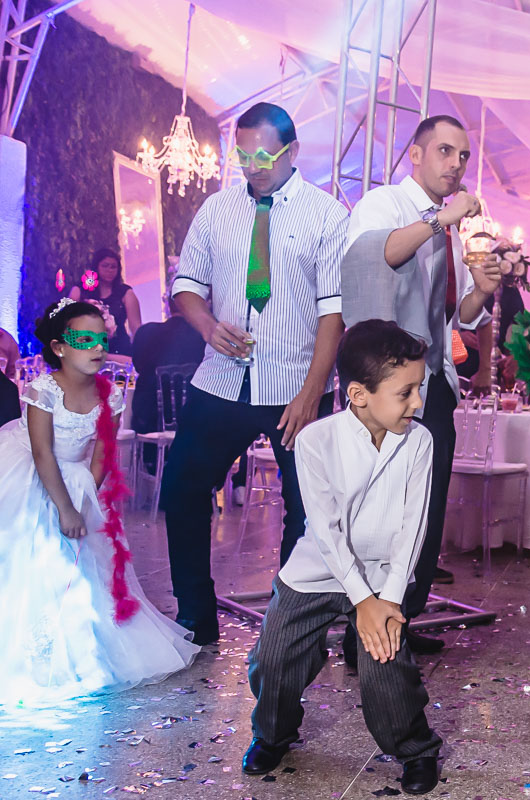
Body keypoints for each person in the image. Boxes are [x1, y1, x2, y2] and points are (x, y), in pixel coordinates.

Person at [161, 102, 347, 646]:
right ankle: (195, 614)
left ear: (292, 151)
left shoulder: (327, 216)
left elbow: (333, 312)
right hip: (220, 379)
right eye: (242, 154)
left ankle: (288, 625)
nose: (252, 164)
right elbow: (185, 285)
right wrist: (205, 323)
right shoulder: (215, 210)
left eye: (263, 154)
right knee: (183, 487)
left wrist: (314, 392)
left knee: (307, 509)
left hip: (295, 384)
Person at [243, 321, 442, 792]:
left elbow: (413, 527)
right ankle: (272, 734)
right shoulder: (316, 441)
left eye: (419, 389)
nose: (417, 403)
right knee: (273, 661)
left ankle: (416, 749)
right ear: (358, 394)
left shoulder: (419, 441)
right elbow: (326, 533)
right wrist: (361, 600)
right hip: (317, 572)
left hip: (382, 581)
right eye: (406, 392)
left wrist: (387, 601)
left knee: (385, 663)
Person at [341, 114, 502, 655]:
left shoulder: (452, 228)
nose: (456, 165)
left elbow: (458, 317)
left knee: (425, 507)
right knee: (376, 505)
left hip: (434, 383)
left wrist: (480, 290)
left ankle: (402, 623)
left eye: (463, 157)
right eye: (445, 152)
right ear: (415, 154)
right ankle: (360, 628)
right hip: (384, 386)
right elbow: (374, 258)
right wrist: (441, 219)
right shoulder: (384, 204)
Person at [0, 299, 199, 706]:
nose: (97, 348)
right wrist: (65, 507)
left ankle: (78, 640)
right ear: (60, 347)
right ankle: (31, 649)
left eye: (101, 340)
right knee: (33, 557)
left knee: (85, 560)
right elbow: (41, 454)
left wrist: (85, 498)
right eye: (84, 339)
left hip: (76, 478)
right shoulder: (44, 390)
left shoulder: (110, 395)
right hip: (36, 473)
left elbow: (102, 454)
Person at [130, 288, 206, 474]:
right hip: (196, 422)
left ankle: (149, 480)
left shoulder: (145, 333)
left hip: (150, 421)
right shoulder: (204, 336)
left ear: (168, 305)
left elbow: (139, 367)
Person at [69, 248, 141, 355]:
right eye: (105, 266)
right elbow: (68, 322)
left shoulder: (126, 292)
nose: (109, 270)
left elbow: (136, 327)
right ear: (96, 267)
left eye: (113, 267)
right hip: (87, 350)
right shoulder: (80, 291)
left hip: (119, 350)